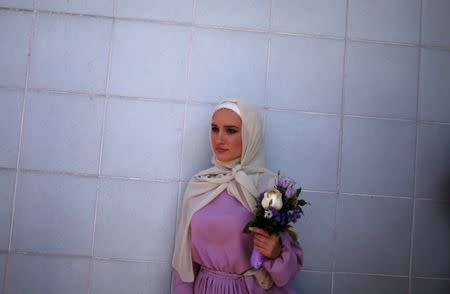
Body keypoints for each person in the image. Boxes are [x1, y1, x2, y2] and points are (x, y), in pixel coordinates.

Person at [172, 99, 303, 293]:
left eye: (231, 130)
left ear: (251, 135)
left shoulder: (270, 187)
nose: (219, 138)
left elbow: (287, 273)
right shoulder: (200, 185)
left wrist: (276, 252)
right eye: (215, 129)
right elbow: (184, 264)